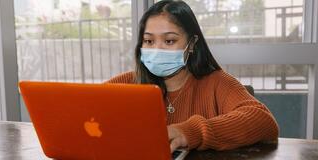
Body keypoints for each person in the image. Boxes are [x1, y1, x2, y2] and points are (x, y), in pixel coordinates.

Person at [106, 0, 279, 153]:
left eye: (169, 41)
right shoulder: (128, 83)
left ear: (192, 44)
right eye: (149, 41)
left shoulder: (217, 83)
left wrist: (191, 132)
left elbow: (263, 120)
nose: (156, 49)